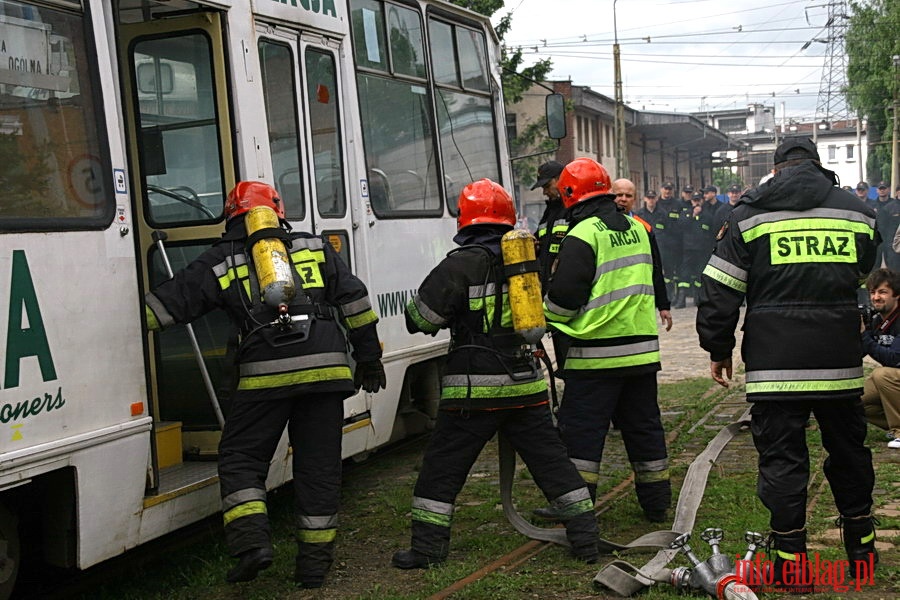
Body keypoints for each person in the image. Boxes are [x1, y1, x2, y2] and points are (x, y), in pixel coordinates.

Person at [145, 181, 386, 588]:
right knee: (319, 469)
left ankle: (252, 545)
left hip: (263, 376)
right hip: (326, 373)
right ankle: (313, 566)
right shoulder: (313, 247)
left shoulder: (220, 260)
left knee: (241, 458)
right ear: (278, 211)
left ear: (231, 217)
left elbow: (161, 313)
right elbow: (356, 304)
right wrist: (369, 358)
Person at [696, 138, 878, 592]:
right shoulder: (855, 211)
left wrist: (718, 348)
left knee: (782, 460)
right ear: (818, 166)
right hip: (838, 361)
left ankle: (791, 566)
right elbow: (862, 269)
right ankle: (862, 555)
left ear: (776, 170)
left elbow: (720, 291)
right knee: (850, 453)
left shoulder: (747, 215)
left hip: (775, 365)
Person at [392, 179, 599, 569]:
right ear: (507, 219)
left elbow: (420, 319)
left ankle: (427, 550)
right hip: (525, 382)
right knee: (553, 463)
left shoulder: (460, 263)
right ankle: (586, 540)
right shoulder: (526, 258)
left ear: (465, 220)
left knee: (442, 469)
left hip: (475, 389)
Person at [543, 159, 671, 523]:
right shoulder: (638, 228)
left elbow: (566, 299)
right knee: (644, 428)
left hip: (596, 357)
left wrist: (541, 316)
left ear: (570, 196)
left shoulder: (583, 234)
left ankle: (578, 508)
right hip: (642, 354)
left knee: (583, 434)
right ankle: (656, 502)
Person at [611, 178, 673, 332]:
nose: (623, 199)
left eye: (628, 196)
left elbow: (656, 267)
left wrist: (663, 305)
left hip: (639, 302)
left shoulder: (644, 228)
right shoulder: (599, 226)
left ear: (635, 199)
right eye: (619, 195)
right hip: (610, 303)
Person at [860, 268, 900, 448]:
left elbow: (894, 359)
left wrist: (864, 336)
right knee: (855, 400)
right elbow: (860, 352)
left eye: (883, 292)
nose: (876, 297)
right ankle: (893, 427)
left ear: (896, 295)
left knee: (881, 374)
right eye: (873, 292)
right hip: (895, 380)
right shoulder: (877, 320)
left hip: (893, 374)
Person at [531, 160, 568, 289]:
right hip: (548, 287)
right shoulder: (550, 211)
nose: (544, 192)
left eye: (547, 186)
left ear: (561, 179)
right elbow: (541, 239)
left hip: (564, 286)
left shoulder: (573, 209)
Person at [676, 191, 715, 307]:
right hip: (688, 250)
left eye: (698, 200)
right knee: (684, 275)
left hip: (702, 250)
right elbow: (681, 225)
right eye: (694, 200)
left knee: (700, 275)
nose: (696, 203)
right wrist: (692, 215)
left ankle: (698, 298)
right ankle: (681, 299)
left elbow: (711, 233)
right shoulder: (686, 213)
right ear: (691, 201)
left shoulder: (707, 216)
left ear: (702, 201)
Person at [655, 181, 684, 302]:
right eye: (665, 189)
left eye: (669, 189)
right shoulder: (656, 204)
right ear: (661, 189)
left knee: (676, 270)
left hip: (676, 242)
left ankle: (677, 295)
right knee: (665, 271)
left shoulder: (677, 204)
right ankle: (668, 294)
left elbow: (682, 222)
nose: (667, 191)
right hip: (662, 243)